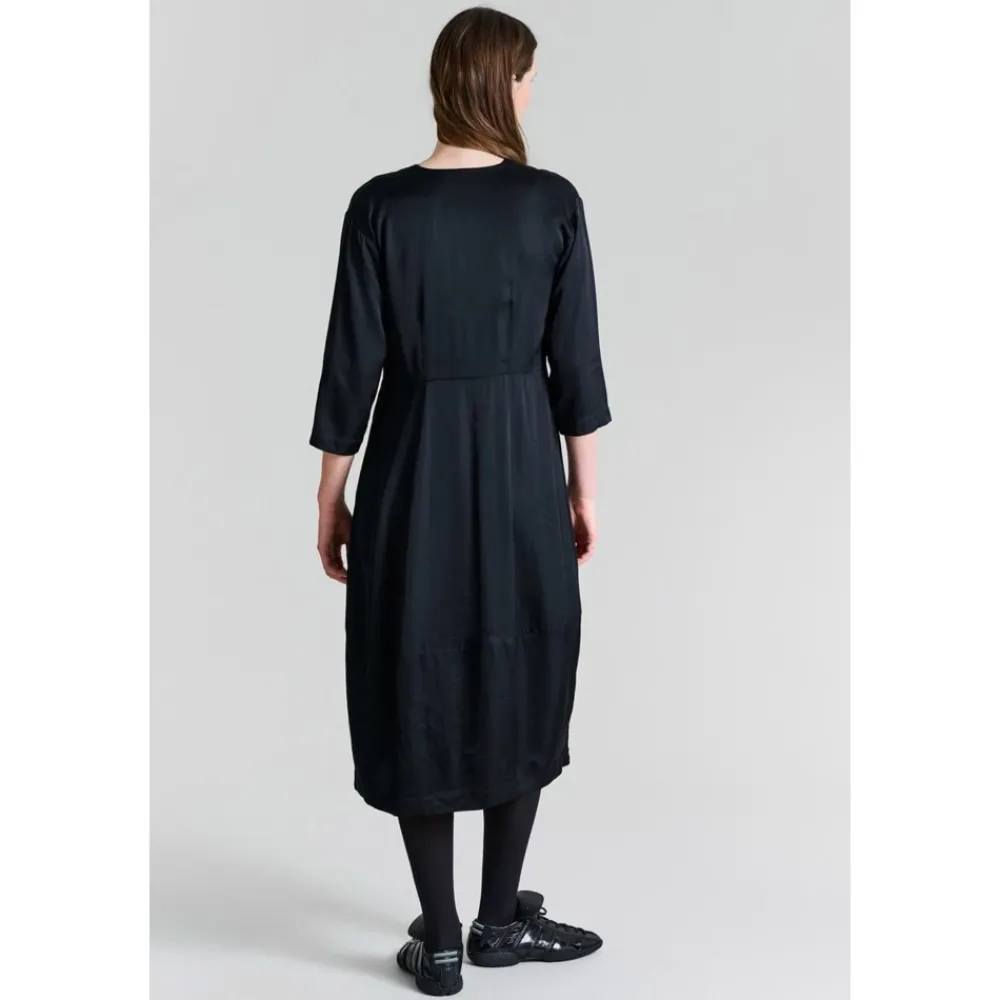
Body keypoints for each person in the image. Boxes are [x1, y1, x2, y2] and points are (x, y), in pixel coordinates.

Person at [310, 7, 611, 995]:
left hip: (410, 469)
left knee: (417, 672)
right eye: (529, 76)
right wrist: (582, 492)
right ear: (501, 83)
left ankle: (440, 939)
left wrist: (330, 498)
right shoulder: (551, 202)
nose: (532, 92)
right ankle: (496, 920)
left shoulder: (380, 206)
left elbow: (350, 371)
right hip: (521, 467)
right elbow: (577, 371)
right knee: (524, 663)